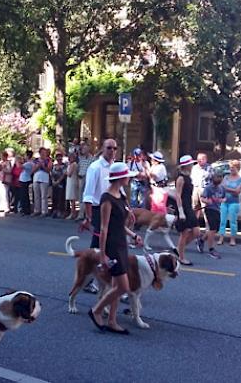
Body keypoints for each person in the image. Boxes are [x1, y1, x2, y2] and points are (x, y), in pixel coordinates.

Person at [88, 162, 143, 335]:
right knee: (123, 287)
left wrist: (133, 235)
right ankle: (97, 309)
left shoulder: (121, 195)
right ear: (120, 178)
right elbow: (104, 228)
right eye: (127, 176)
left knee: (115, 285)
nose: (129, 179)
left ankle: (112, 320)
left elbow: (119, 225)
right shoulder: (107, 198)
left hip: (121, 243)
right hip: (112, 246)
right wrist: (103, 255)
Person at [80, 139, 118, 294]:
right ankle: (89, 280)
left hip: (112, 208)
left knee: (108, 246)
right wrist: (88, 217)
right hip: (98, 209)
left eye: (115, 148)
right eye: (109, 148)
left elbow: (117, 188)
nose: (112, 151)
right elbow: (88, 195)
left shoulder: (114, 166)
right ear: (102, 149)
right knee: (97, 246)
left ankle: (109, 280)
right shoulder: (95, 167)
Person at [174, 155, 201, 265]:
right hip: (183, 207)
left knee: (196, 231)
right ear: (186, 166)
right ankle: (181, 257)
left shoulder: (188, 177)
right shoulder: (180, 178)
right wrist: (180, 211)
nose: (192, 166)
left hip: (188, 206)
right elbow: (178, 195)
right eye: (190, 164)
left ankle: (178, 249)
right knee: (184, 232)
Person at [218, 160, 241, 246]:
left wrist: (227, 188)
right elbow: (221, 187)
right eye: (231, 168)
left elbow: (237, 192)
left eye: (233, 168)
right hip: (225, 201)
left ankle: (233, 239)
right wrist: (229, 190)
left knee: (233, 221)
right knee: (222, 220)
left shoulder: (240, 180)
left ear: (238, 168)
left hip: (234, 202)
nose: (231, 169)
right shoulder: (226, 177)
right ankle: (221, 237)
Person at [199, 173, 224, 259]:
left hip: (217, 209)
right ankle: (211, 249)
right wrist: (207, 201)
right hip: (210, 209)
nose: (219, 179)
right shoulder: (209, 188)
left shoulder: (221, 188)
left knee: (215, 229)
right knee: (212, 229)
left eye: (220, 177)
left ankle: (202, 239)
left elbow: (224, 198)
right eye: (217, 177)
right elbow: (202, 197)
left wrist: (222, 200)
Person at [77, 143, 95, 220]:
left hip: (87, 178)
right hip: (80, 177)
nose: (83, 150)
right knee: (80, 197)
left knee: (87, 197)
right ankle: (81, 214)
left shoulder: (92, 159)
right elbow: (79, 167)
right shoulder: (81, 158)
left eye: (85, 149)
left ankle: (85, 215)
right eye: (83, 149)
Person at [32, 147, 52, 217]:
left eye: (44, 153)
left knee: (44, 196)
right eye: (42, 153)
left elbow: (49, 170)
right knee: (36, 195)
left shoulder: (48, 160)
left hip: (44, 179)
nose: (43, 154)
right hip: (36, 178)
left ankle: (44, 211)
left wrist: (43, 166)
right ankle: (37, 210)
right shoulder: (36, 160)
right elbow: (33, 170)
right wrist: (38, 166)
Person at [50, 151, 67, 218]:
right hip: (54, 183)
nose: (59, 160)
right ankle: (55, 210)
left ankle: (61, 211)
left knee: (61, 197)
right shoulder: (54, 166)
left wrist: (58, 181)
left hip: (61, 183)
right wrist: (53, 181)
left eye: (60, 158)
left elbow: (63, 174)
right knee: (54, 197)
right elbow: (51, 174)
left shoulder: (64, 166)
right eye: (58, 158)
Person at [65, 152, 79, 219]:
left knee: (72, 198)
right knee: (71, 198)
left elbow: (69, 174)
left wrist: (66, 172)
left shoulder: (73, 164)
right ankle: (73, 212)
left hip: (72, 181)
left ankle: (73, 213)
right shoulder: (70, 164)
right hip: (70, 181)